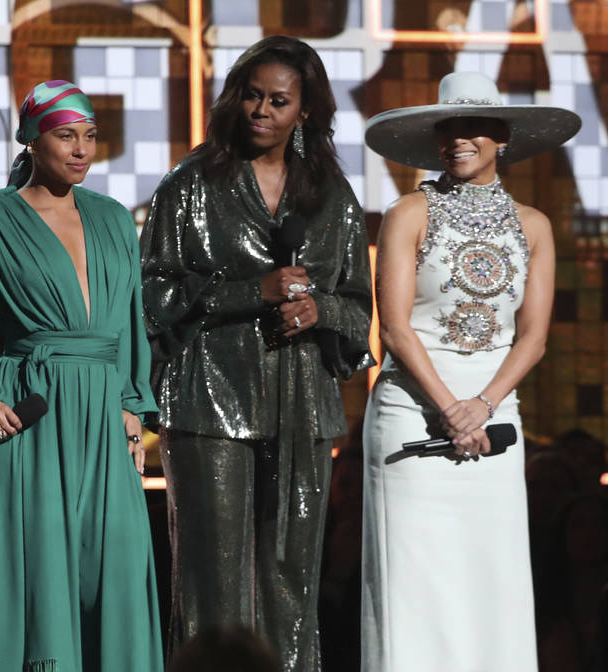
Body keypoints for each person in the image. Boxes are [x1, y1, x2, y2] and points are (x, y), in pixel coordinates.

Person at [140, 35, 373, 670]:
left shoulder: (332, 198)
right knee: (214, 579)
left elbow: (359, 315)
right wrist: (251, 292)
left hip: (303, 406)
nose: (261, 110)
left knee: (291, 576)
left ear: (305, 111)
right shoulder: (188, 185)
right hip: (208, 402)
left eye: (278, 100)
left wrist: (319, 309)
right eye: (251, 95)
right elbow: (153, 295)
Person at [361, 71, 581, 672]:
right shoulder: (409, 212)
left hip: (495, 419)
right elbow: (397, 329)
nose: (457, 138)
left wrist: (480, 406)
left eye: (472, 126)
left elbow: (533, 338)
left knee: (492, 582)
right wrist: (450, 409)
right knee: (414, 587)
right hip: (412, 412)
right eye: (448, 127)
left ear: (501, 137)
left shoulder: (533, 226)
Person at [0, 80, 162, 672]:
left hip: (102, 407)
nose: (81, 149)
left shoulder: (115, 218)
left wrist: (131, 404)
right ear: (31, 140)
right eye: (66, 136)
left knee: (113, 566)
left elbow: (130, 320)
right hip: (32, 412)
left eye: (90, 136)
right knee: (40, 574)